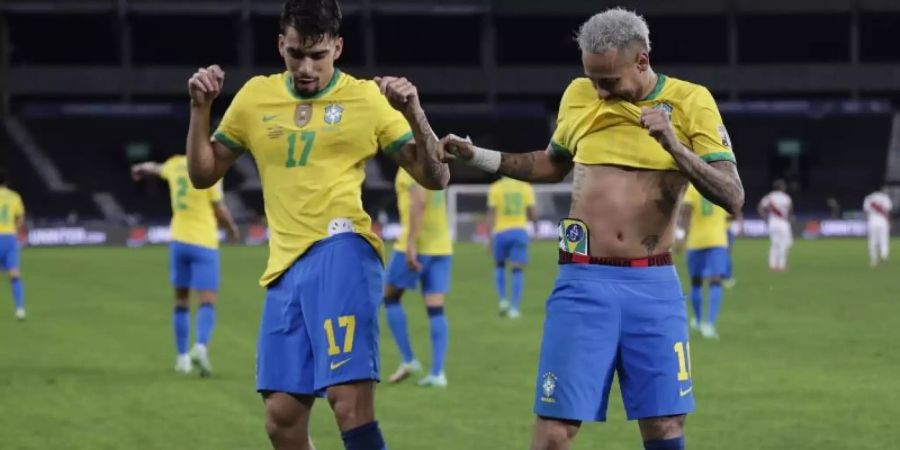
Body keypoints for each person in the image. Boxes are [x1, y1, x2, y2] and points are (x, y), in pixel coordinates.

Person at [441, 8, 744, 450]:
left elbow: (732, 195)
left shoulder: (691, 101)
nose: (599, 92)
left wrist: (674, 146)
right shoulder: (579, 95)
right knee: (554, 433)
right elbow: (550, 164)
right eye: (592, 79)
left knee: (664, 428)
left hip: (653, 284)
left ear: (642, 61)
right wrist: (478, 156)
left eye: (609, 81)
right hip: (582, 282)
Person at [184, 0, 449, 448]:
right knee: (282, 419)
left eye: (318, 56)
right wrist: (199, 109)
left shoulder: (366, 97)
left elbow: (435, 176)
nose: (306, 67)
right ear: (280, 47)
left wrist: (413, 112)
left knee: (348, 403)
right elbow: (203, 173)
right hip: (283, 267)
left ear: (338, 48)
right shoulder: (254, 97)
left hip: (341, 250)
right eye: (295, 54)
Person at [131, 154, 239, 376]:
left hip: (178, 241)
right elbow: (219, 207)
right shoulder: (211, 171)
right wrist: (231, 229)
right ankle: (200, 347)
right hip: (204, 242)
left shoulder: (175, 164)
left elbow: (155, 166)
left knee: (180, 300)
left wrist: (141, 167)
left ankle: (181, 358)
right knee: (207, 301)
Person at [383, 168, 452, 387]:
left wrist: (411, 243)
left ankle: (408, 359)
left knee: (389, 296)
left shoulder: (410, 168)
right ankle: (438, 373)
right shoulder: (435, 164)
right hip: (441, 245)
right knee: (435, 308)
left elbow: (419, 202)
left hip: (414, 245)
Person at [678, 184, 730, 339]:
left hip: (696, 240)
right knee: (716, 281)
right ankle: (709, 324)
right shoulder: (721, 186)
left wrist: (681, 236)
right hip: (718, 239)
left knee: (696, 282)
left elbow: (685, 212)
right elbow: (732, 211)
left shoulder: (692, 188)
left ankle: (699, 320)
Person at [487, 177, 537, 318]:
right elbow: (532, 211)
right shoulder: (525, 186)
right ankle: (514, 308)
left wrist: (489, 239)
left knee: (499, 265)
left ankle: (503, 300)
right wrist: (536, 228)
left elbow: (491, 214)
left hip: (501, 232)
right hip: (519, 231)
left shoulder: (496, 187)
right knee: (517, 269)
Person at [0, 168, 26, 321]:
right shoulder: (15, 197)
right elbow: (20, 219)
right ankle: (20, 309)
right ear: (7, 182)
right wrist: (15, 229)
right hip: (9, 237)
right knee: (14, 274)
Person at [758, 179, 793, 272]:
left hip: (773, 222)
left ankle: (772, 266)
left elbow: (761, 207)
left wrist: (765, 219)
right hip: (783, 222)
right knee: (783, 245)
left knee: (774, 244)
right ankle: (781, 266)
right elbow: (789, 210)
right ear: (782, 187)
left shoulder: (770, 197)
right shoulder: (786, 197)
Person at [863, 187, 893, 267]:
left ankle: (873, 261)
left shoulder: (869, 198)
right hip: (883, 221)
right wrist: (889, 221)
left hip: (872, 221)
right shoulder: (885, 198)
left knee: (873, 241)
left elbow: (866, 211)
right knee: (884, 240)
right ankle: (884, 255)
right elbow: (888, 211)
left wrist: (866, 222)